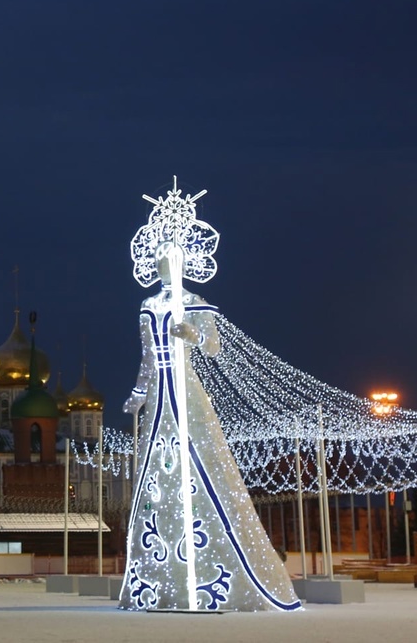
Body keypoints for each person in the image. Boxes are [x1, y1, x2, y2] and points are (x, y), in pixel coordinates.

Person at [120, 188, 300, 612]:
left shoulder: (196, 303)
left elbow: (214, 348)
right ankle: (160, 577)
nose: (168, 267)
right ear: (154, 265)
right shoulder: (148, 306)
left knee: (203, 461)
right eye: (162, 261)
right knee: (156, 473)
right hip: (162, 391)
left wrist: (192, 335)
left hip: (186, 388)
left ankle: (219, 573)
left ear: (185, 264)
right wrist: (140, 392)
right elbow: (147, 356)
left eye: (175, 261)